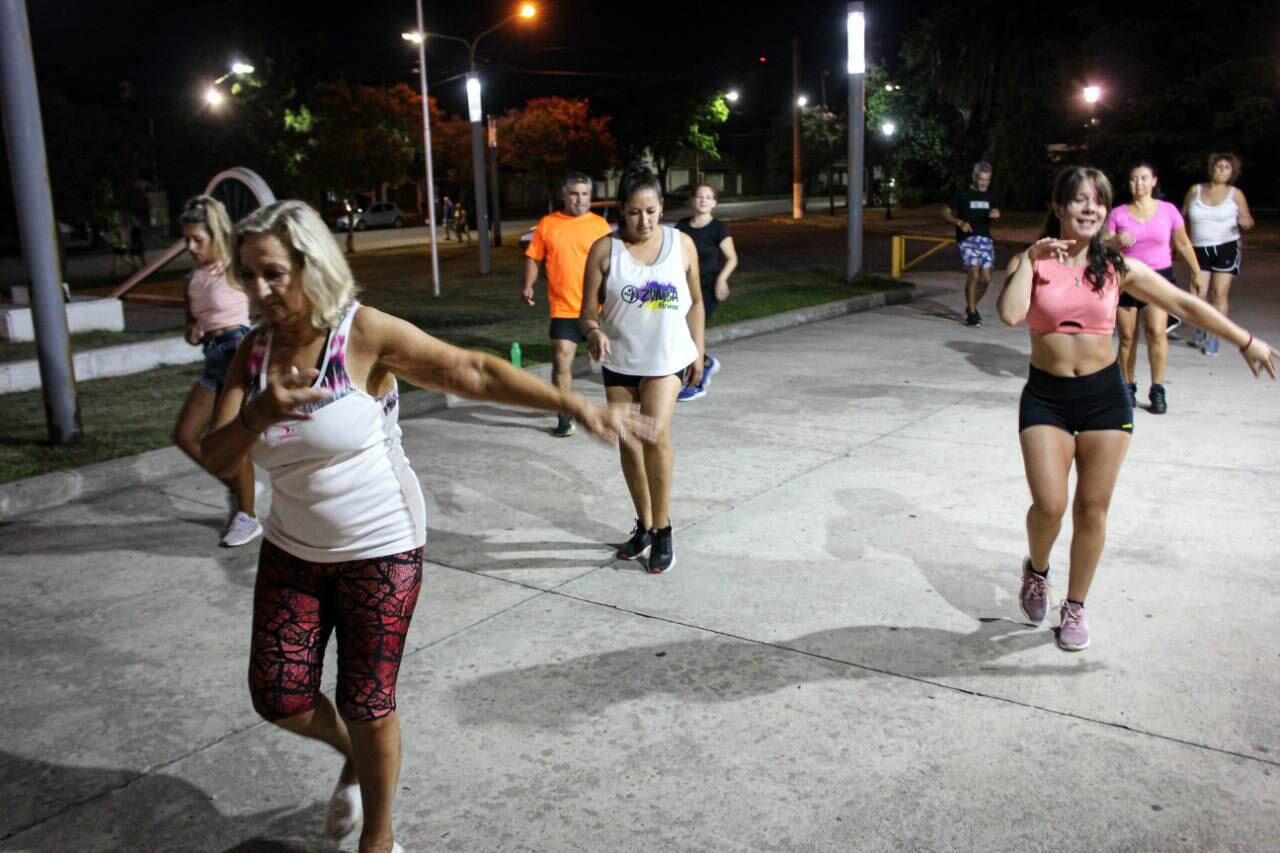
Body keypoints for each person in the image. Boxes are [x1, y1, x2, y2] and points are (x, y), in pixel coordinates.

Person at [200, 200, 652, 853]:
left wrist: (572, 404)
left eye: (273, 272)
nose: (260, 290)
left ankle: (378, 840)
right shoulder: (252, 353)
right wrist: (258, 413)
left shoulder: (362, 333)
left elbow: (468, 368)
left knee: (367, 699)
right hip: (292, 548)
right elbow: (217, 456)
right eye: (249, 276)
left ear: (310, 263)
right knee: (277, 693)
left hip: (380, 548)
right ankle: (352, 755)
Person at [997, 166, 1275, 652]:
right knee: (1051, 504)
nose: (1090, 209)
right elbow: (1010, 314)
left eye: (1098, 201)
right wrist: (1028, 259)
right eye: (1079, 200)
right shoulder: (1034, 260)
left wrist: (1245, 340)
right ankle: (1037, 570)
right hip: (1048, 397)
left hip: (1105, 397)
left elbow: (1184, 305)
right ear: (1060, 208)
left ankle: (1076, 605)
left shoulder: (1116, 267)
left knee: (1093, 508)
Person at [580, 166, 705, 574]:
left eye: (651, 211)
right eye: (635, 213)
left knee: (654, 434)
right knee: (629, 444)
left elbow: (697, 302)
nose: (644, 220)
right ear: (621, 211)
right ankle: (645, 525)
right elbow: (586, 315)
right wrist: (594, 332)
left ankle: (664, 528)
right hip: (620, 362)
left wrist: (698, 351)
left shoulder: (681, 244)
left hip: (666, 360)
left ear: (661, 207)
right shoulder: (604, 250)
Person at [171, 195, 260, 547]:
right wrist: (192, 331)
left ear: (215, 235)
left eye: (198, 240)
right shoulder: (191, 280)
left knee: (230, 441)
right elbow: (191, 326)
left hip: (238, 352)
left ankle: (248, 516)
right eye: (187, 240)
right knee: (186, 436)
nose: (191, 247)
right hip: (213, 358)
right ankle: (239, 487)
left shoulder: (234, 268)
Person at [1104, 162, 1200, 414]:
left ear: (1154, 181)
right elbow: (1103, 245)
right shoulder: (1119, 213)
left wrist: (1197, 271)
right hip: (1127, 278)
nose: (1139, 184)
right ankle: (1127, 386)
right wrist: (1116, 240)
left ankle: (1158, 388)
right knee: (1127, 337)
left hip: (1159, 279)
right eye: (1134, 179)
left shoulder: (1168, 211)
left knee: (1157, 332)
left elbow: (1183, 243)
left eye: (1144, 178)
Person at [522, 172, 613, 436]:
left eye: (585, 194)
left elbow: (615, 264)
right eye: (574, 194)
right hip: (564, 307)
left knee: (615, 362)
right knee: (561, 359)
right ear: (564, 195)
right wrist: (527, 284)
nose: (580, 199)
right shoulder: (548, 224)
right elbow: (533, 257)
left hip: (598, 308)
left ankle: (620, 413)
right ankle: (564, 415)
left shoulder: (600, 226)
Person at [1183, 152, 1255, 355]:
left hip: (1226, 246)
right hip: (1198, 248)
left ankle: (1214, 337)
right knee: (1197, 294)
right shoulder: (1195, 190)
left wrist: (1244, 223)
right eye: (1219, 166)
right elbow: (1182, 217)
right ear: (1212, 168)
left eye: (1227, 167)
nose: (1222, 170)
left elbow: (1248, 220)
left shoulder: (1236, 194)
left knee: (1218, 293)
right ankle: (1200, 325)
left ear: (1232, 172)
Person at [675, 183, 738, 402]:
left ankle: (697, 383)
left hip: (707, 288)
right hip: (684, 288)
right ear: (692, 200)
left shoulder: (718, 228)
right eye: (699, 196)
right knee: (682, 334)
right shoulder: (682, 226)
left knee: (694, 335)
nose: (703, 200)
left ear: (714, 203)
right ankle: (706, 362)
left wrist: (722, 279)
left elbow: (732, 258)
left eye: (708, 197)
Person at [943, 162, 1001, 326]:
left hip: (985, 239)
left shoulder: (991, 196)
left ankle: (971, 306)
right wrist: (958, 221)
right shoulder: (962, 194)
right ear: (974, 177)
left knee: (986, 279)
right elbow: (944, 210)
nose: (984, 183)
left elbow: (993, 216)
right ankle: (973, 313)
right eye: (981, 179)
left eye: (987, 180)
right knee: (974, 274)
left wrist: (996, 215)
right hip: (967, 239)